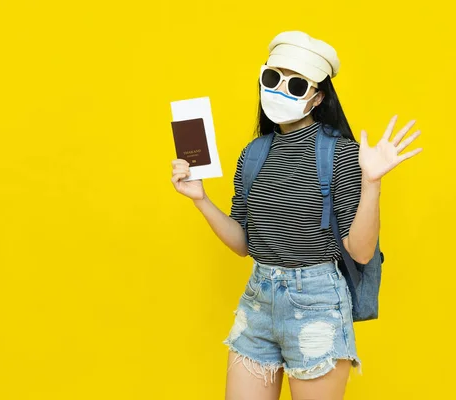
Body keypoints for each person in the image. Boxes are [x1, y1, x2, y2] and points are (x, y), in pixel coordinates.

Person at [171, 30, 422, 400]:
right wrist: (201, 199)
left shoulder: (341, 155)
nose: (280, 90)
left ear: (317, 97)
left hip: (317, 302)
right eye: (273, 78)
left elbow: (362, 252)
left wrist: (372, 182)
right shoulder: (253, 154)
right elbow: (244, 244)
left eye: (297, 84)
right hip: (258, 298)